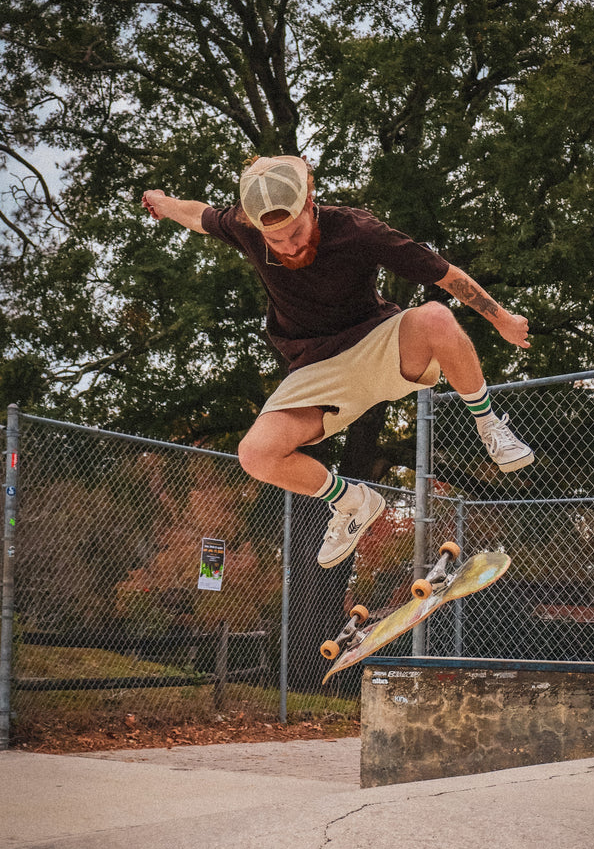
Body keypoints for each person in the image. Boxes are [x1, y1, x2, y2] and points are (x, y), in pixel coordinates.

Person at [142, 155, 534, 569]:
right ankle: (353, 502)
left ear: (310, 203)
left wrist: (503, 320)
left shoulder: (358, 229)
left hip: (378, 343)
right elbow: (197, 215)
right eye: (276, 241)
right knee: (256, 454)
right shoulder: (243, 226)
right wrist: (163, 202)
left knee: (435, 316)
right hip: (314, 369)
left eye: (296, 231)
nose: (290, 245)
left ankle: (489, 424)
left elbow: (443, 274)